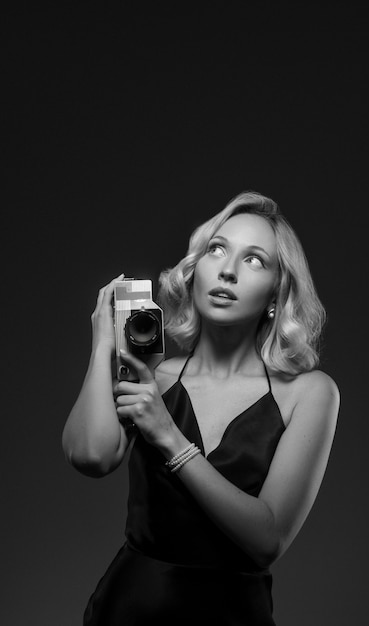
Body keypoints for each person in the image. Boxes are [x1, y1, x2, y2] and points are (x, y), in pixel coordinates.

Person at [62, 191, 340, 625]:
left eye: (254, 260)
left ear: (275, 294)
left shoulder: (310, 392)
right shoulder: (158, 376)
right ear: (195, 271)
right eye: (217, 249)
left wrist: (167, 435)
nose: (227, 270)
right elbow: (91, 457)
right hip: (128, 610)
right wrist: (103, 346)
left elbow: (267, 539)